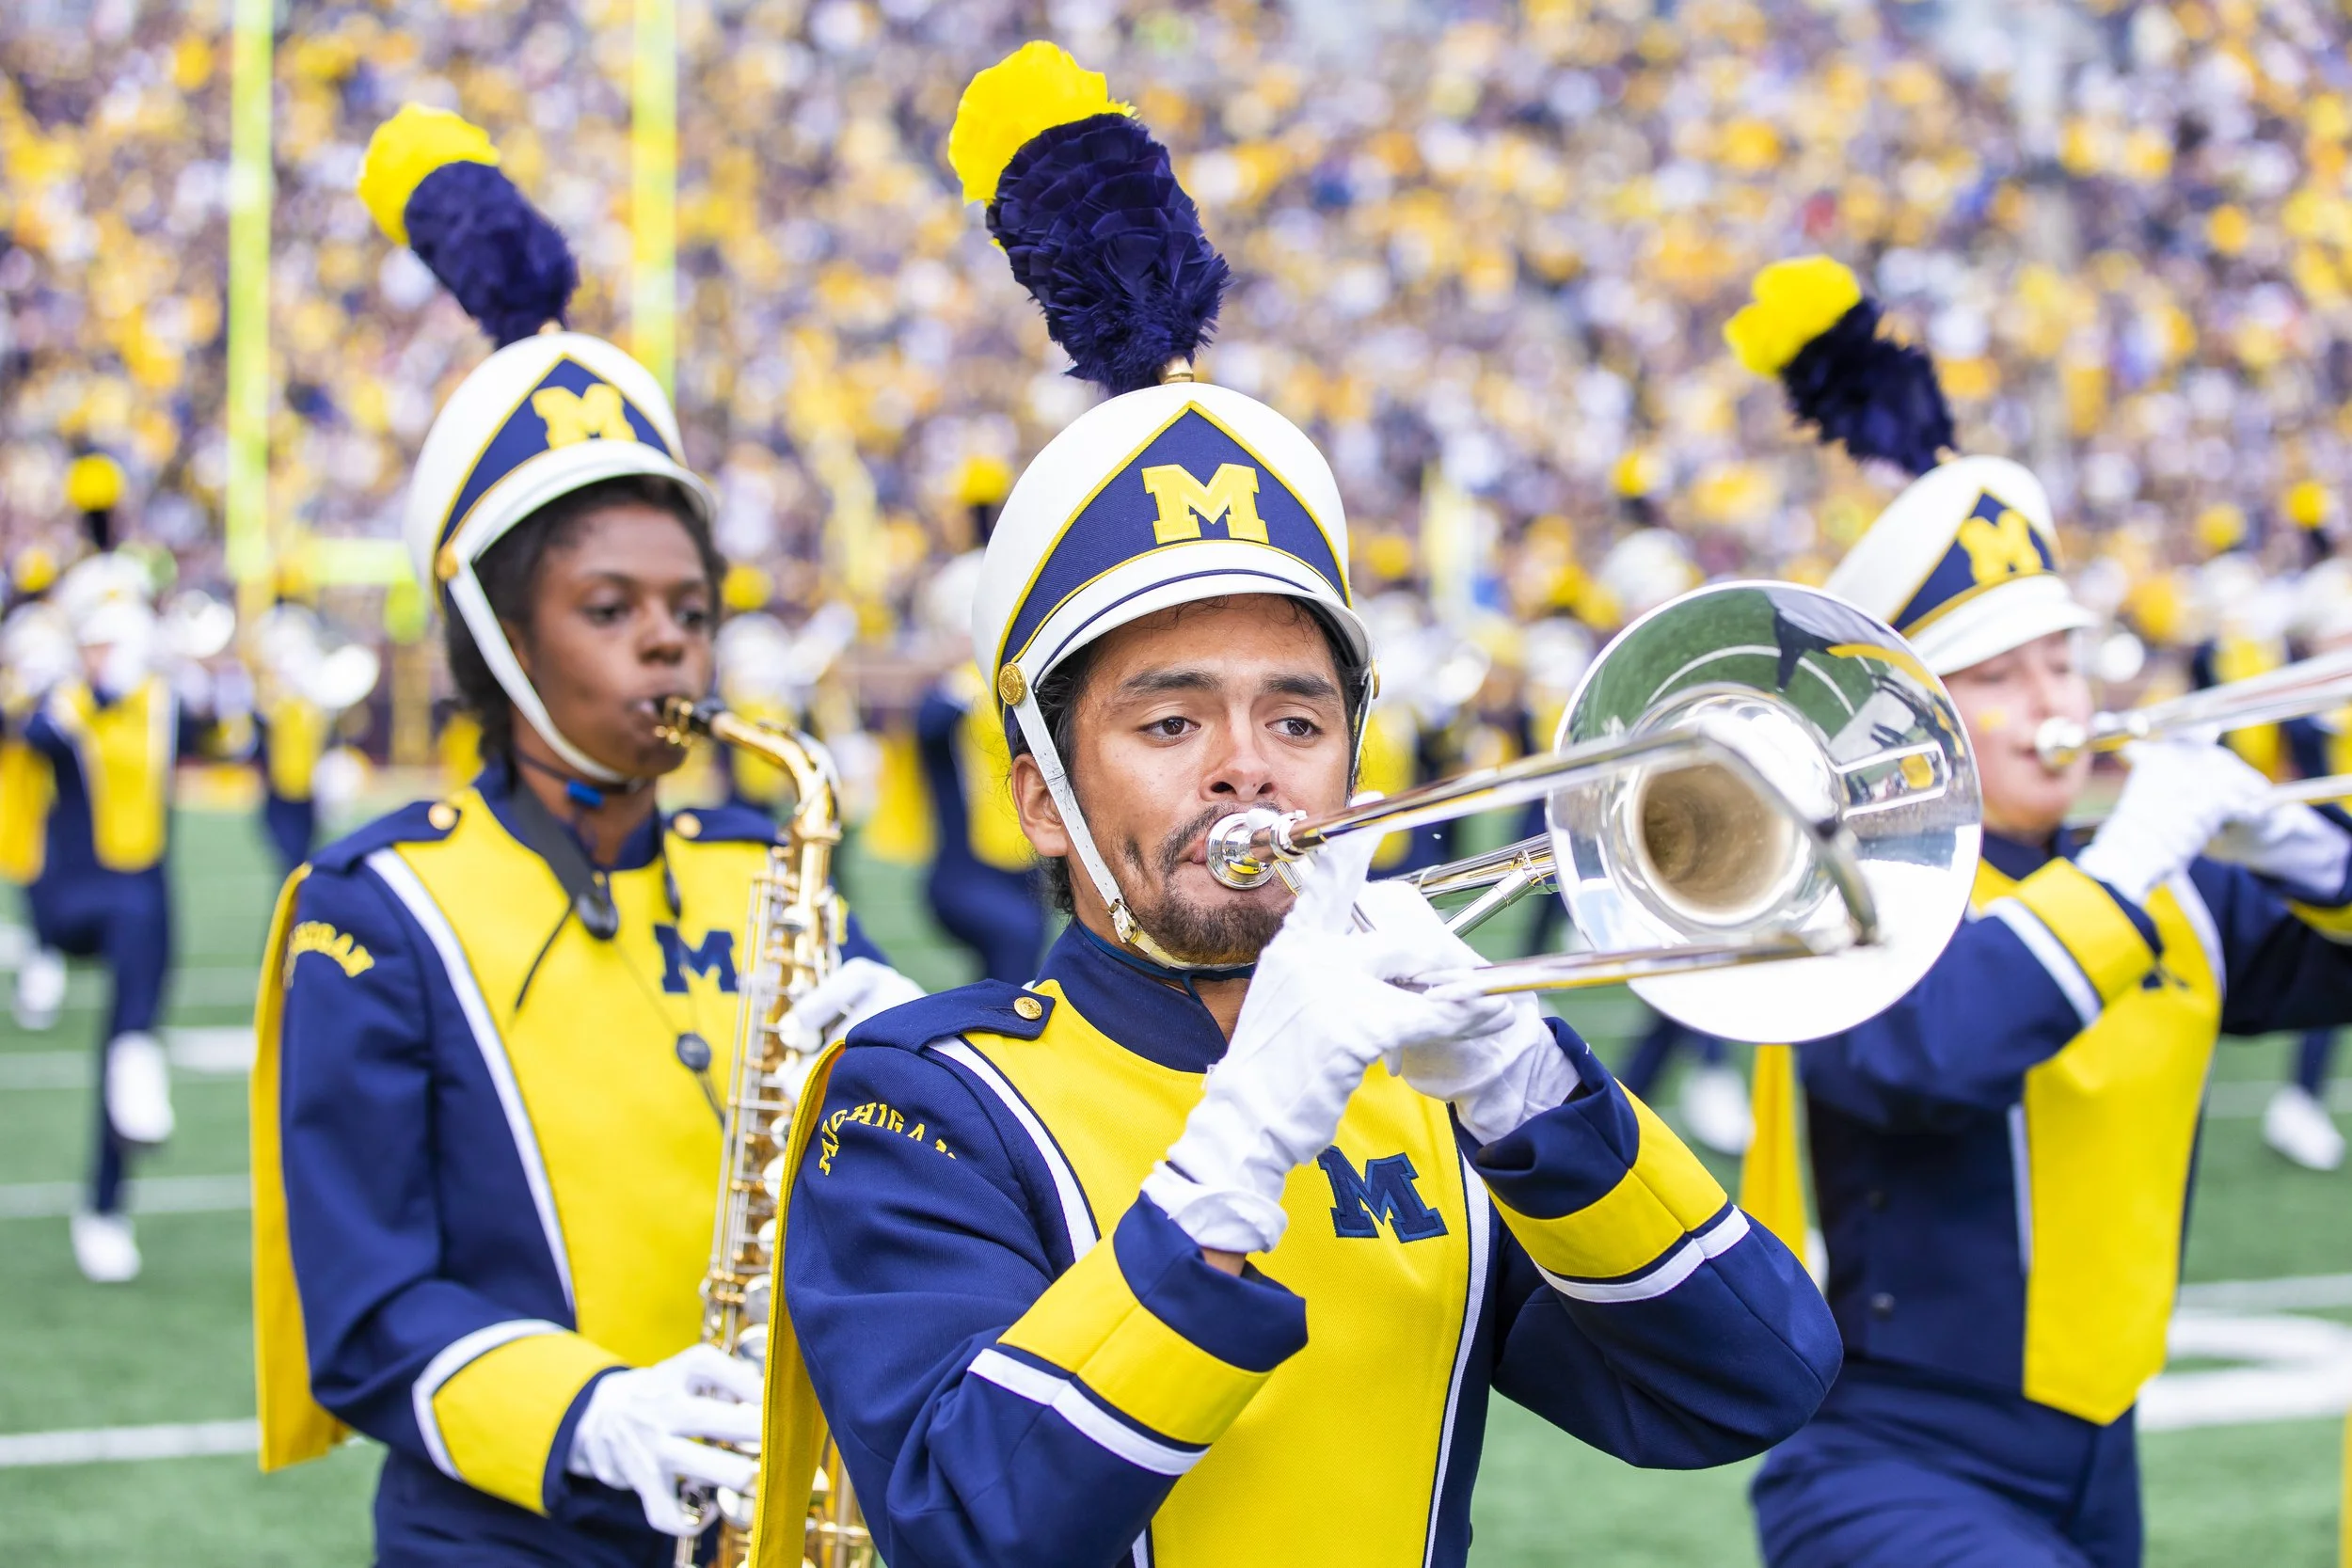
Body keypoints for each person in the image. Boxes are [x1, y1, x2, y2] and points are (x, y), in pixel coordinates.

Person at [758, 48, 1840, 1568]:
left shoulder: (1431, 1099)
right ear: (1046, 800)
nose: (1246, 764)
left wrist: (1532, 1091)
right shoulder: (926, 1103)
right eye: (1169, 717)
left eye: (1297, 715)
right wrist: (1236, 1150)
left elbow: (1753, 1382)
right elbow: (962, 1522)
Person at [248, 105, 921, 1566]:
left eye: (688, 610)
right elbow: (365, 1311)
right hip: (505, 1531)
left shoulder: (768, 866)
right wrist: (590, 1410)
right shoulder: (376, 911)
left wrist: (931, 1065)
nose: (666, 650)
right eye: (607, 611)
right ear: (498, 635)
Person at [1725, 257, 2352, 1568]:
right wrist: (2131, 864)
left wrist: (2309, 854)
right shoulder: (1839, 889)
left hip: (2097, 1453)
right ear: (1906, 709)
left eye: (2058, 654)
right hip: (1884, 1457)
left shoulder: (2158, 874)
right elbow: (1927, 1050)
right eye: (1995, 671)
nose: (2050, 692)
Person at [914, 455, 1048, 984]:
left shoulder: (1004, 695)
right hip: (967, 875)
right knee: (1018, 944)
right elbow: (933, 723)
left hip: (1019, 874)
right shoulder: (951, 700)